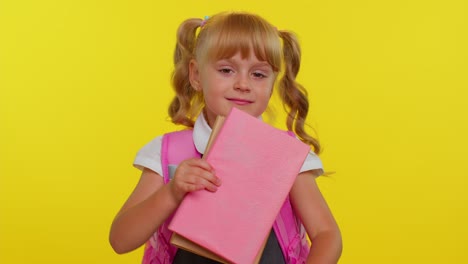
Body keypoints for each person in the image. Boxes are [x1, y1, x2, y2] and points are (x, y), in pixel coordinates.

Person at [109, 11, 342, 264]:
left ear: (272, 82)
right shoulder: (168, 154)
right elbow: (121, 240)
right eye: (227, 70)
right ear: (196, 75)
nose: (243, 84)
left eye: (258, 74)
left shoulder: (287, 155)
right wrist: (172, 193)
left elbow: (327, 234)